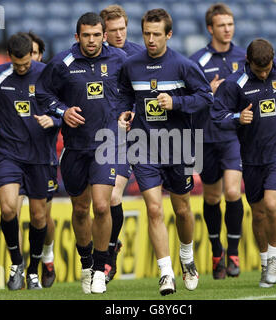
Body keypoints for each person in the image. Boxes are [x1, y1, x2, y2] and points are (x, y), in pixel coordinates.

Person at [117, 8, 213, 295]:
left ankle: (187, 258)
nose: (150, 39)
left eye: (156, 34)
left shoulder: (183, 66)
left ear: (168, 35)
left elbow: (206, 97)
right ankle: (166, 273)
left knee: (182, 210)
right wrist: (125, 113)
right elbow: (123, 94)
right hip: (143, 146)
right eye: (146, 33)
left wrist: (177, 103)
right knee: (154, 208)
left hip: (179, 145)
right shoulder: (132, 65)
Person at [211, 38, 276, 287]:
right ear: (248, 63)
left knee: (272, 205)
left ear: (272, 60)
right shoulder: (236, 83)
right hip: (252, 157)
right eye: (259, 70)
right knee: (258, 214)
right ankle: (264, 262)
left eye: (268, 69)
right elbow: (217, 114)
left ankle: (274, 260)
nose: (264, 73)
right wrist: (238, 116)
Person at [36, 12, 127, 294]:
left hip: (107, 143)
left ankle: (100, 269)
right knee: (80, 209)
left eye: (97, 35)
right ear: (77, 37)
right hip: (75, 147)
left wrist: (128, 112)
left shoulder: (120, 60)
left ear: (104, 35)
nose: (92, 40)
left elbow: (132, 93)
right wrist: (63, 111)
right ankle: (86, 262)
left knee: (102, 206)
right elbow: (42, 94)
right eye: (86, 35)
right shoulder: (63, 63)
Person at [0, 32, 57, 290]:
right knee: (8, 209)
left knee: (39, 217)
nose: (23, 68)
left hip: (39, 156)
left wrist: (53, 120)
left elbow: (61, 108)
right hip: (9, 153)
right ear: (9, 57)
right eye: (18, 64)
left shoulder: (46, 74)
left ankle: (34, 270)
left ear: (32, 56)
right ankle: (16, 263)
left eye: (26, 63)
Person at [189, 3, 246, 279]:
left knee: (233, 192)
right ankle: (216, 252)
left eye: (231, 24)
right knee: (212, 197)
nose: (227, 29)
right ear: (210, 28)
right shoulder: (196, 61)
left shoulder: (245, 57)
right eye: (222, 25)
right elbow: (189, 100)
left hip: (232, 135)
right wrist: (209, 93)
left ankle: (233, 254)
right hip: (207, 136)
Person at [99, 4, 144, 283]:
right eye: (113, 30)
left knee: (114, 196)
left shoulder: (140, 54)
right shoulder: (90, 58)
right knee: (97, 204)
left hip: (129, 136)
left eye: (122, 29)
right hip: (99, 135)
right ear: (102, 32)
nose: (118, 35)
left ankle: (110, 252)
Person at [13, 31, 58, 288]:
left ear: (39, 55)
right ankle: (19, 270)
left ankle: (47, 256)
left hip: (44, 158)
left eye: (35, 53)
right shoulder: (11, 80)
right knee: (13, 212)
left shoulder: (48, 80)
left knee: (42, 218)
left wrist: (52, 120)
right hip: (17, 158)